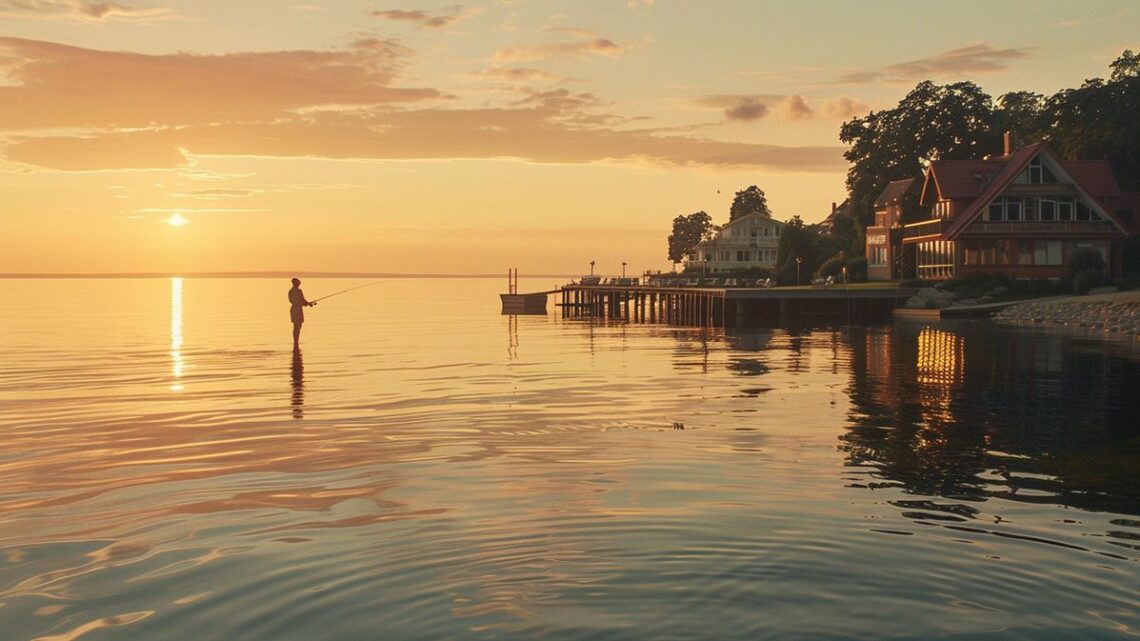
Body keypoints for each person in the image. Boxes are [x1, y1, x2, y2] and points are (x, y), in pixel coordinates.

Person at [288, 278, 315, 348]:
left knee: (299, 326)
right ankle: (295, 341)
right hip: (295, 310)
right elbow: (293, 301)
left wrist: (308, 303)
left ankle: (296, 342)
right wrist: (305, 304)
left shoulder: (299, 291)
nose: (299, 284)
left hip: (299, 309)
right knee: (296, 326)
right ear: (294, 283)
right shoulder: (291, 291)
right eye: (298, 283)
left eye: (299, 283)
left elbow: (303, 300)